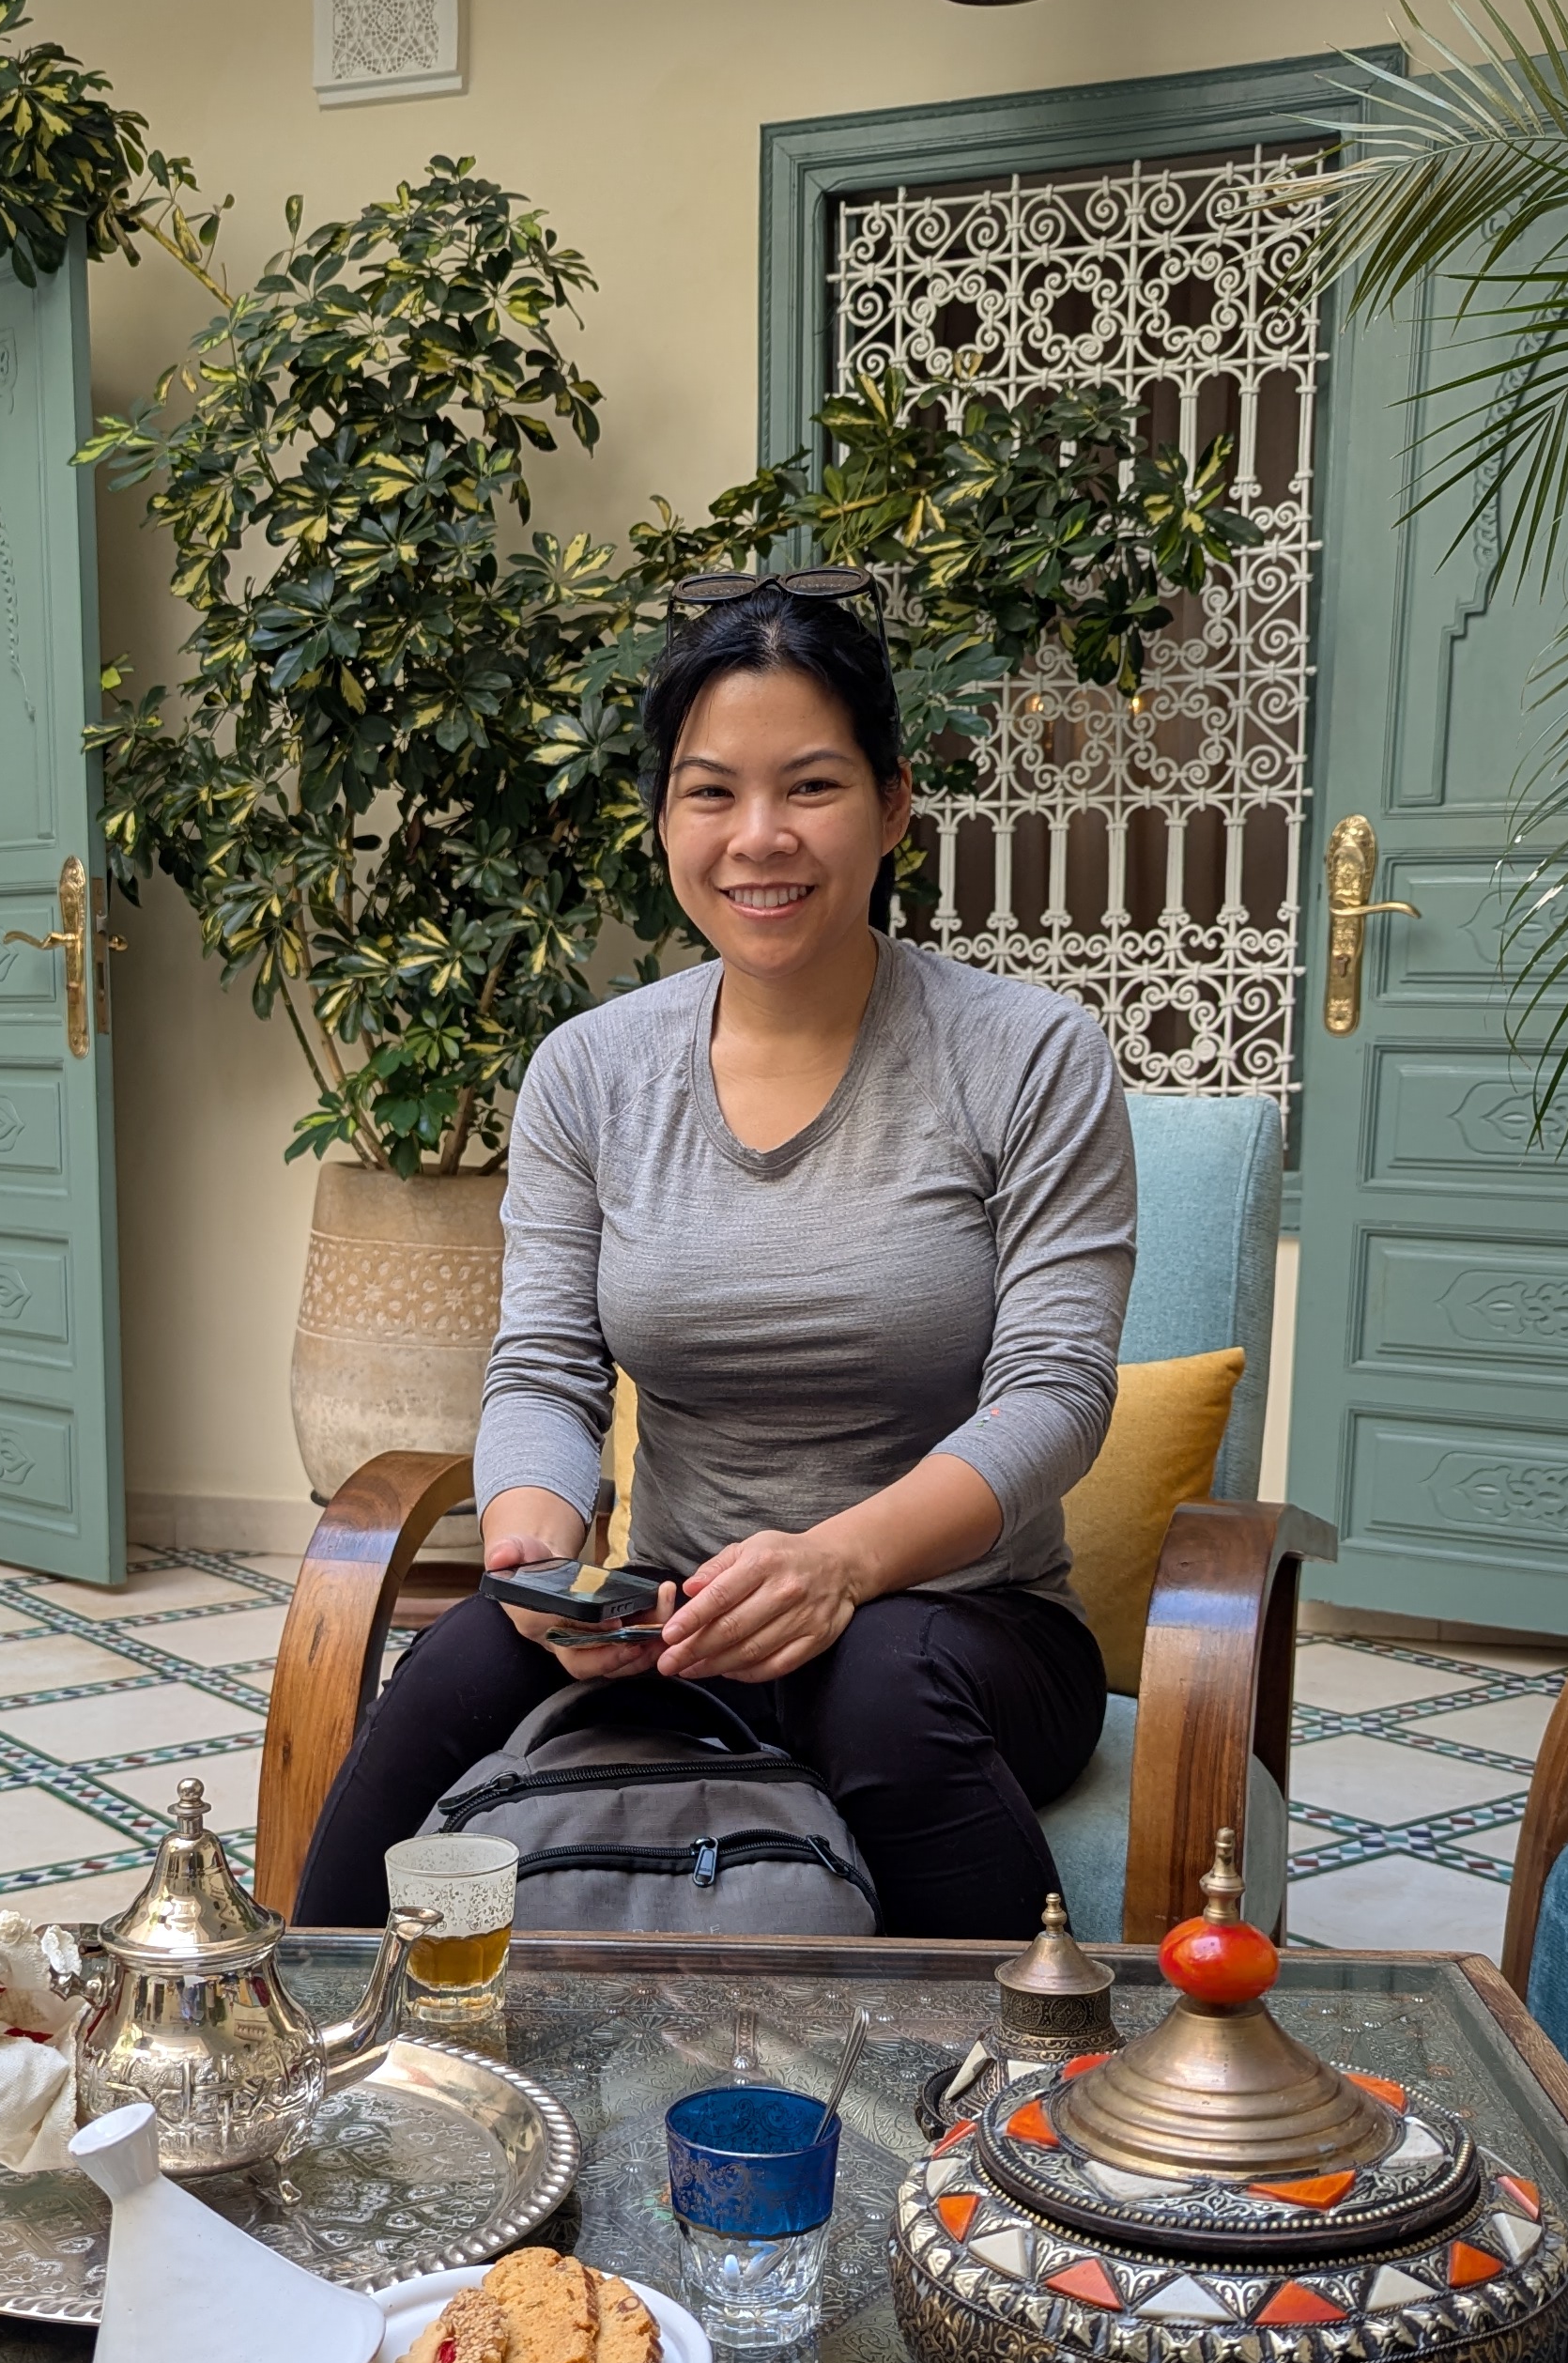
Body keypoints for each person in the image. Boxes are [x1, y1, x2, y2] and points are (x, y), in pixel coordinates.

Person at [293, 571, 1134, 1937]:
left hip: (962, 1627)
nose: (759, 839)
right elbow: (545, 1370)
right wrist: (536, 1554)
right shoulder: (591, 1072)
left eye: (811, 786)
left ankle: (1017, 2061)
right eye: (711, 792)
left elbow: (1057, 1393)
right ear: (662, 820)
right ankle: (308, 2033)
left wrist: (839, 1565)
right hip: (670, 1622)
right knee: (451, 1676)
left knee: (877, 1682)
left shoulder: (1028, 1055)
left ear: (894, 805)